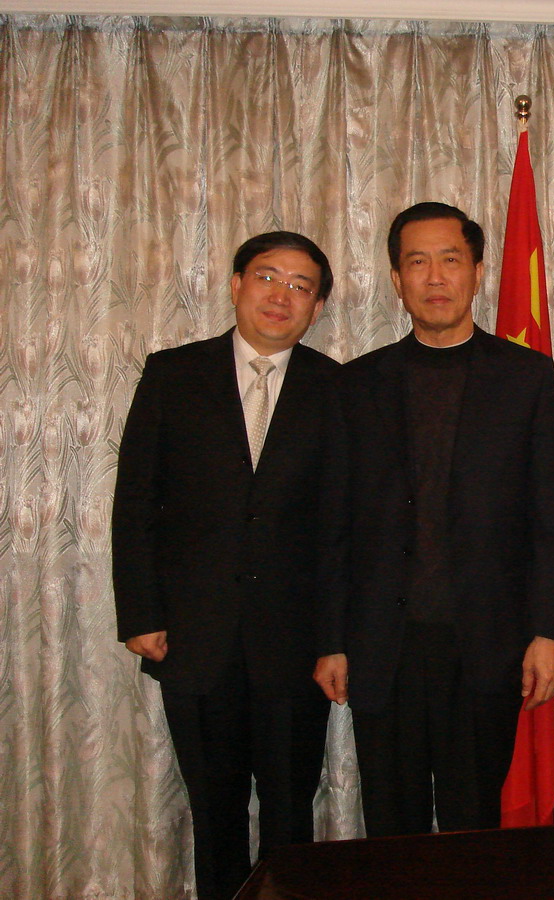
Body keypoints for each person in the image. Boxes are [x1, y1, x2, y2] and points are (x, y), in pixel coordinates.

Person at [312, 201, 554, 836]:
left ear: (478, 272)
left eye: (450, 260)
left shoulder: (526, 376)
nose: (435, 277)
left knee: (473, 823)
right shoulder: (357, 383)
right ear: (396, 279)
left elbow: (548, 515)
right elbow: (334, 522)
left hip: (486, 642)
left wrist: (547, 631)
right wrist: (330, 638)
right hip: (383, 643)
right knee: (390, 826)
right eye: (417, 262)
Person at [112, 231, 338, 899]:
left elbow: (344, 525)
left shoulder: (337, 387)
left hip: (296, 646)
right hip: (193, 637)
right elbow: (136, 501)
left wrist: (336, 638)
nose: (281, 295)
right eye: (267, 276)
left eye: (300, 286)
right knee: (214, 813)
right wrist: (141, 613)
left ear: (317, 307)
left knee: (291, 814)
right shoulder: (173, 374)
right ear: (236, 284)